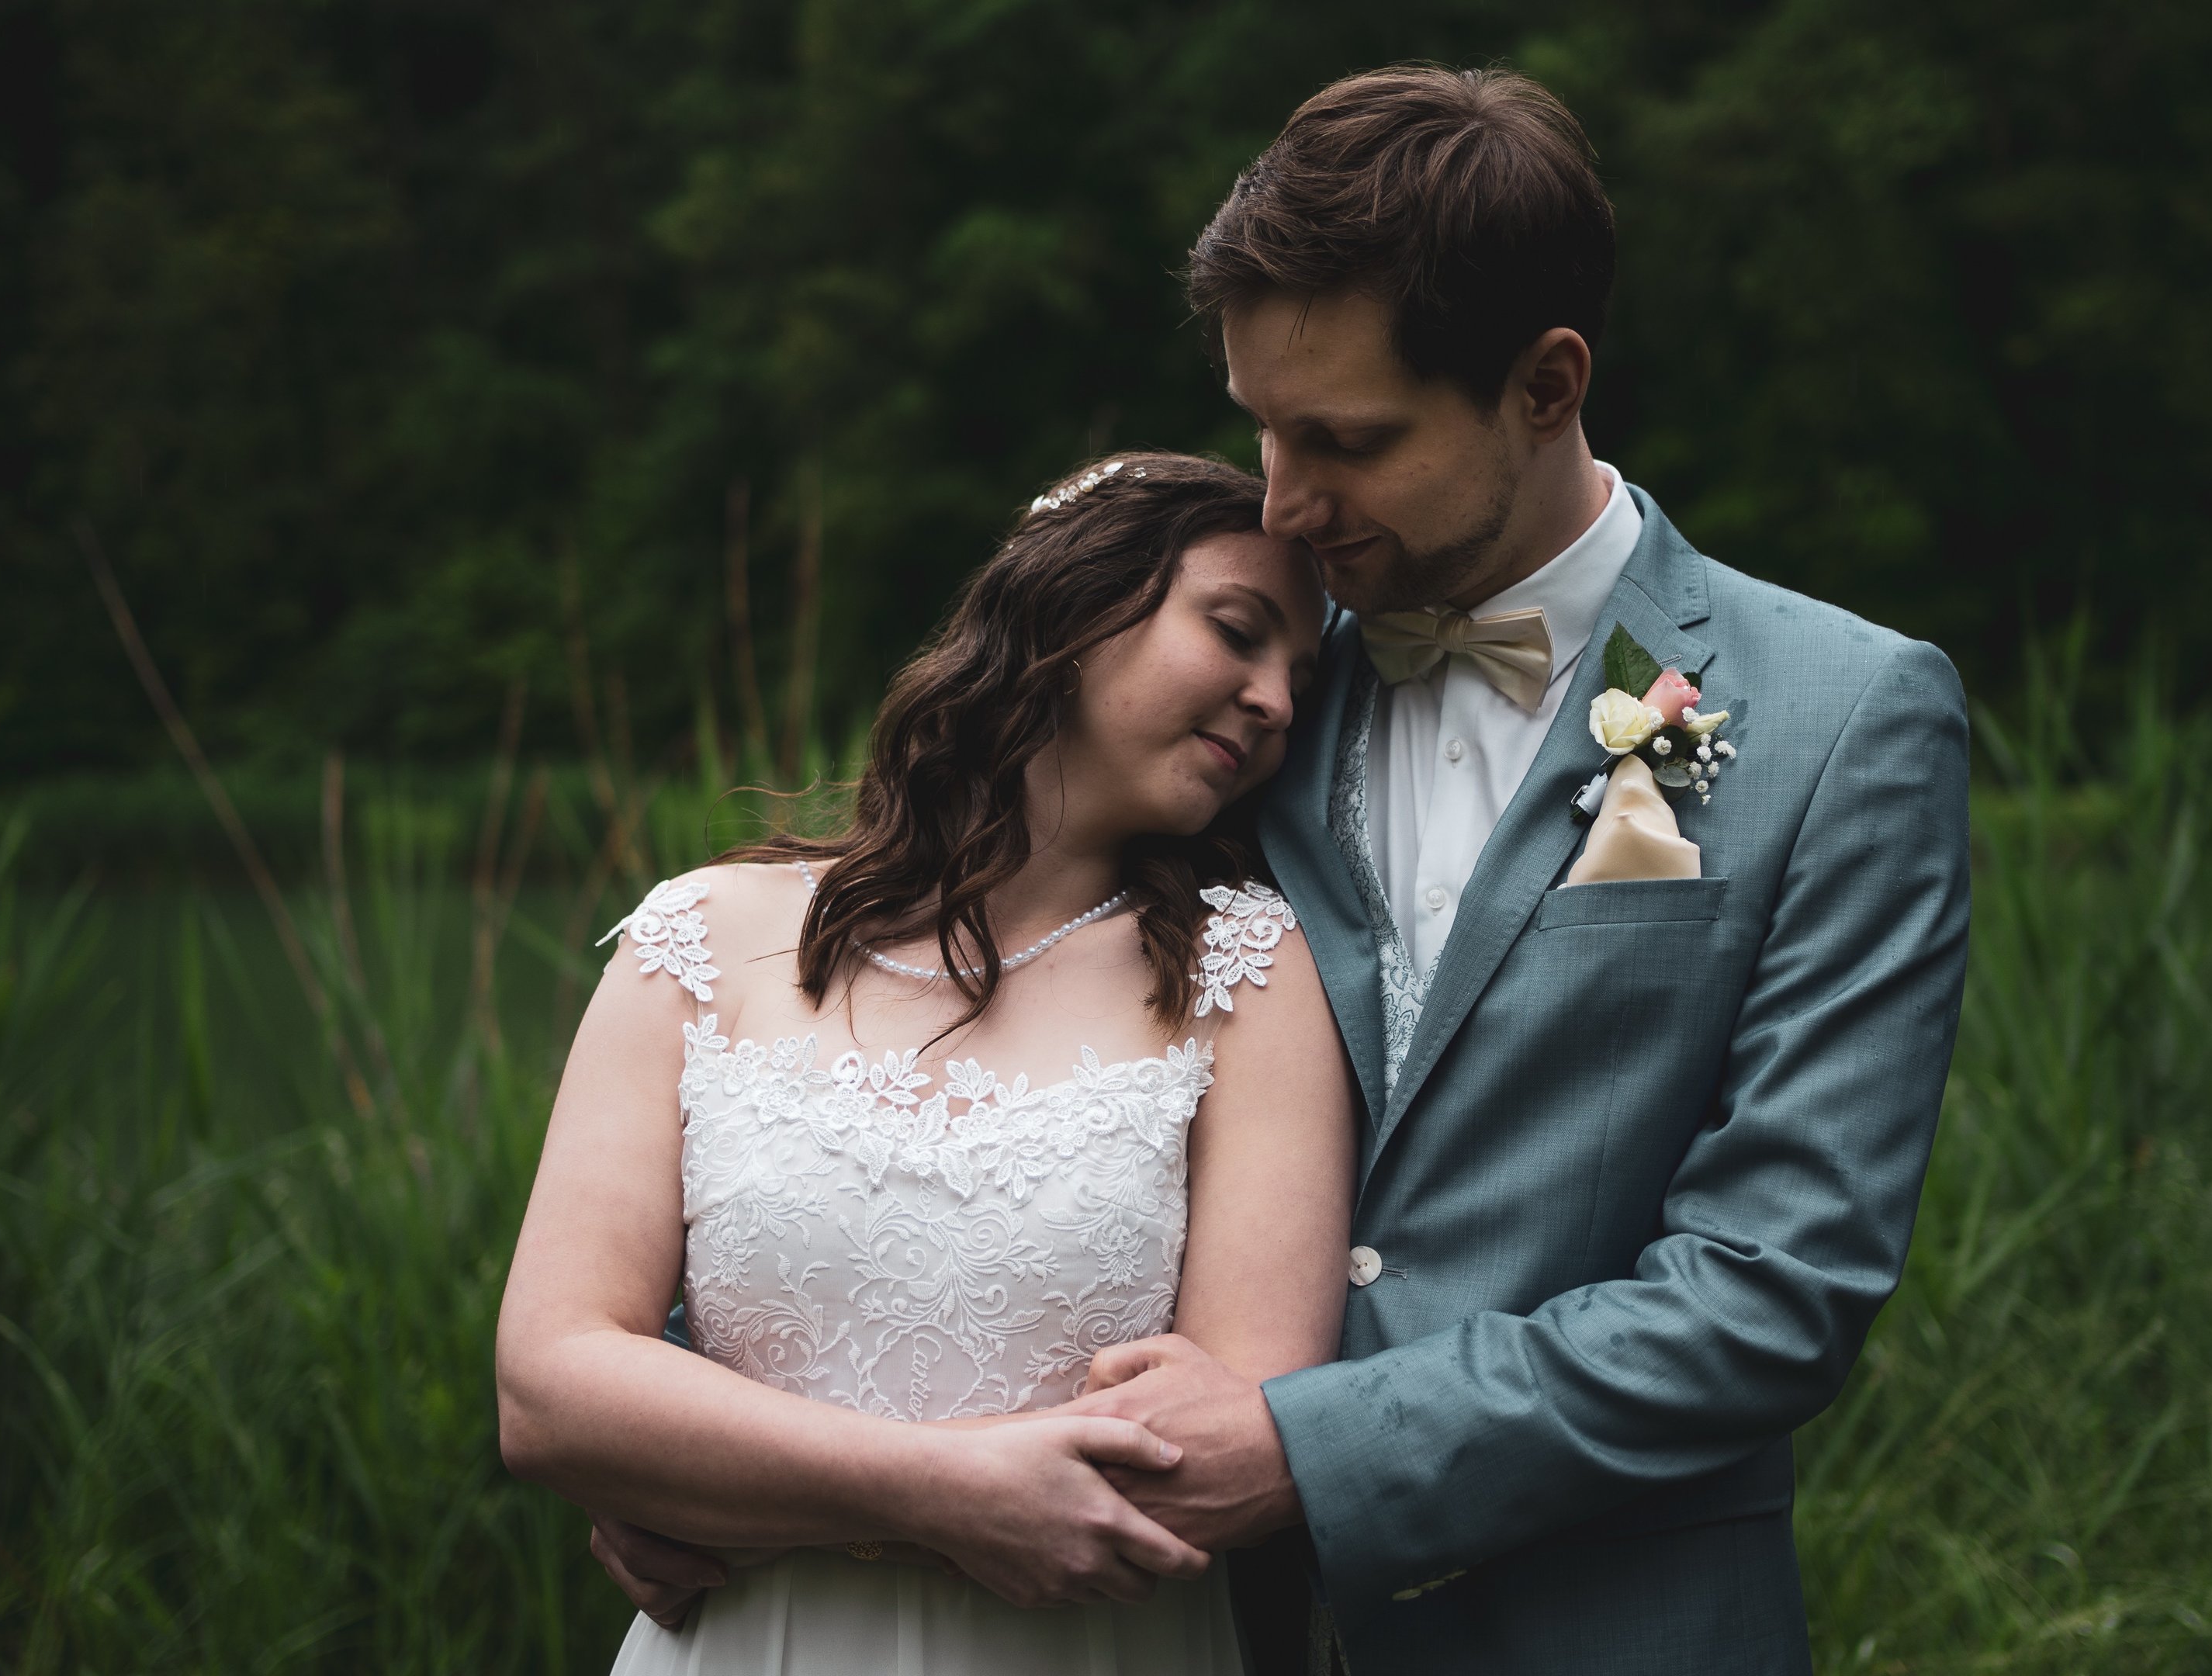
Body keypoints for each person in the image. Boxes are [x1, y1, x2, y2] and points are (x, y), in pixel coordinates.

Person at [594, 64, 1973, 1674]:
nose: (1285, 500)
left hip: (1605, 1627)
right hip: (1180, 1628)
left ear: (1545, 384)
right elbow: (971, 1027)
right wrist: (724, 1421)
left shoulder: (1841, 718)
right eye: (1263, 426)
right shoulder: (1239, 698)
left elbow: (1771, 1288)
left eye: (1346, 440)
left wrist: (1312, 1450)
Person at [496, 452, 1357, 1671]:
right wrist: (942, 1489)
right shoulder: (703, 936)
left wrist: (717, 1478)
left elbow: (1226, 1451)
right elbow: (548, 1388)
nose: (1273, 700)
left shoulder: (1251, 975)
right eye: (1236, 632)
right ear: (1074, 606)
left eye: (1301, 682)